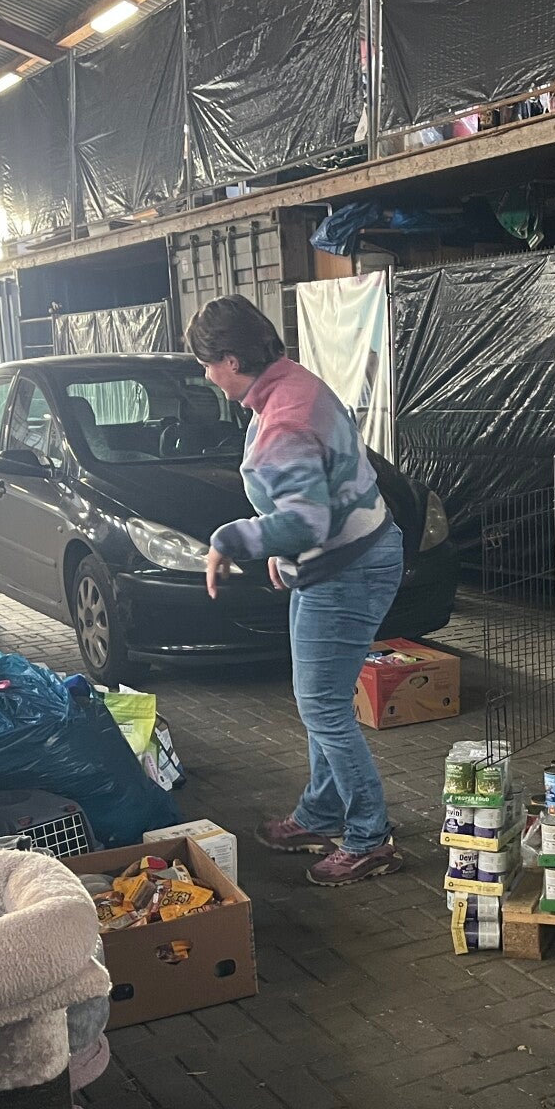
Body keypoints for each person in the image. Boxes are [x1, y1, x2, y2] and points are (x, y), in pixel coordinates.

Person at [189, 295, 405, 886]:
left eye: (207, 365)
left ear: (231, 362)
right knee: (321, 700)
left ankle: (369, 839)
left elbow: (307, 520)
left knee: (323, 707)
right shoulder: (292, 383)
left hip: (347, 571)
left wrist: (231, 539)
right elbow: (315, 497)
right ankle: (320, 814)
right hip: (349, 557)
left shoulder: (282, 420)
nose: (207, 377)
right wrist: (285, 554)